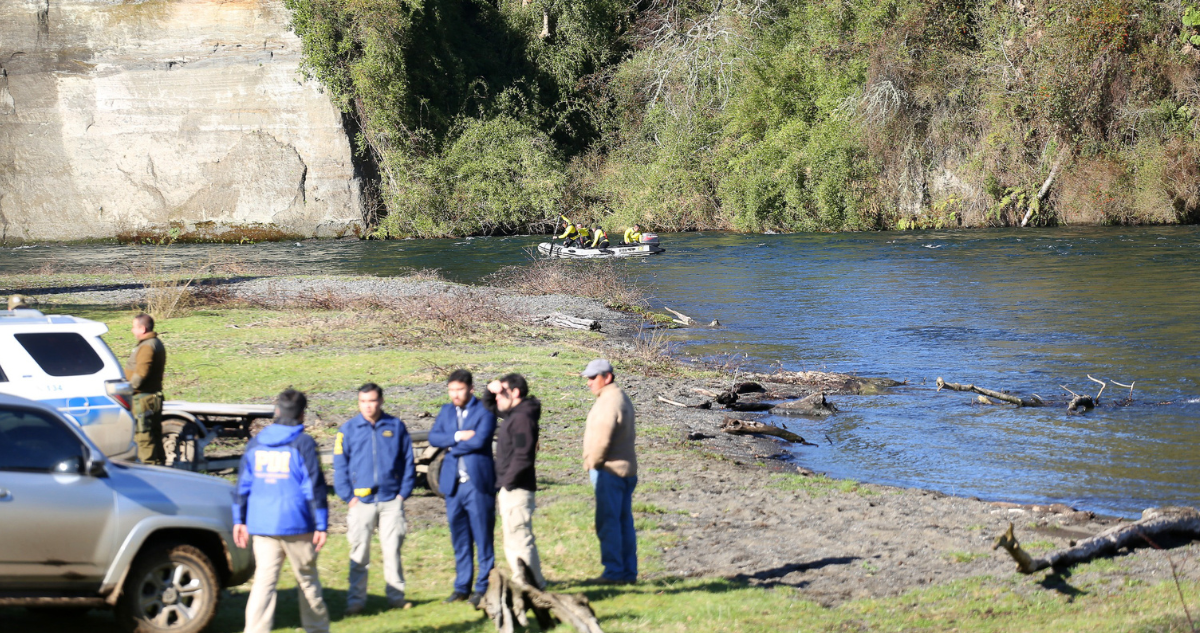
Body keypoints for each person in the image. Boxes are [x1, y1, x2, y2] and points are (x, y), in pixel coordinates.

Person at [233, 389, 331, 633]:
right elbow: (314, 487)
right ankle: (317, 629)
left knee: (263, 584)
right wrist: (321, 524)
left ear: (276, 411)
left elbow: (242, 485)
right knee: (307, 582)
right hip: (297, 524)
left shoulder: (255, 443)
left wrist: (239, 520)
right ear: (302, 414)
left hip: (262, 525)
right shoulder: (304, 443)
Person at [333, 383, 416, 615]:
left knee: (393, 551)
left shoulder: (396, 426)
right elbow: (340, 467)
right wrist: (349, 498)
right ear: (358, 402)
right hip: (361, 502)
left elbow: (408, 461)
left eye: (372, 401)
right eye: (363, 401)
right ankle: (356, 602)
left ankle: (396, 598)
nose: (368, 406)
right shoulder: (347, 430)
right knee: (359, 554)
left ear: (381, 401)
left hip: (391, 501)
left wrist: (402, 494)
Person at [428, 369, 497, 607]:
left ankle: (484, 586)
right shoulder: (446, 411)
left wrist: (453, 447)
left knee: (483, 538)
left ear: (471, 389)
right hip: (453, 486)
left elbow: (481, 440)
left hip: (477, 484)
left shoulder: (485, 410)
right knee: (460, 539)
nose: (455, 394)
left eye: (459, 390)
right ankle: (461, 587)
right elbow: (434, 438)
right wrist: (458, 436)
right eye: (451, 390)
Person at [481, 373, 546, 589]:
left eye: (502, 393)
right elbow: (489, 406)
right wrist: (491, 390)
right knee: (513, 538)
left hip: (517, 488)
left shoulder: (522, 419)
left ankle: (532, 585)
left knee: (520, 539)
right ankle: (526, 583)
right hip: (513, 486)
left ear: (515, 393)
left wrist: (505, 483)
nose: (498, 397)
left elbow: (523, 456)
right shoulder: (517, 413)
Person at [580, 359, 638, 585]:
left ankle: (614, 573)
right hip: (624, 471)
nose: (589, 382)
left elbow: (602, 439)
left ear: (608, 377)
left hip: (609, 472)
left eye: (593, 378)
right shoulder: (618, 397)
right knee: (623, 523)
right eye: (588, 378)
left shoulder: (609, 402)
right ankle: (627, 573)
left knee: (609, 524)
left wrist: (592, 463)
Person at [126, 313, 167, 465]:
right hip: (150, 397)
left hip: (143, 399)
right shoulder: (153, 343)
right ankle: (160, 468)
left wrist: (126, 390)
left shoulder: (147, 346)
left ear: (142, 329)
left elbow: (141, 374)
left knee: (144, 438)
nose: (132, 330)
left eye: (134, 327)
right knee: (154, 435)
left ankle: (150, 470)